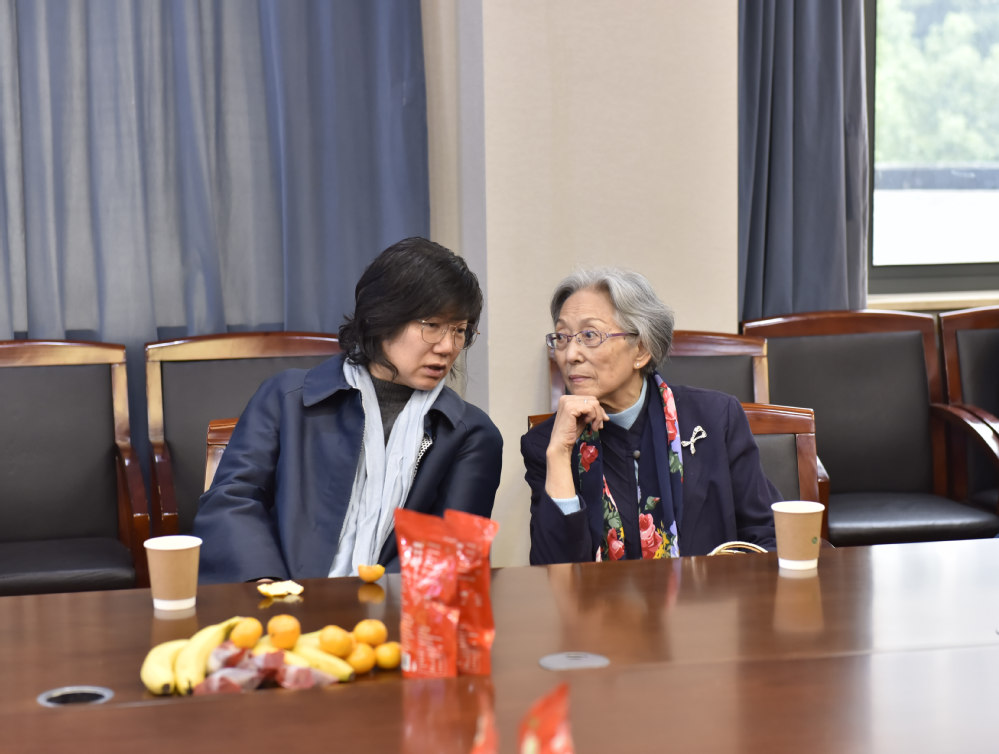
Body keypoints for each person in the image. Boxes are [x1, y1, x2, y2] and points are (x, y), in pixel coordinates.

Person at [195, 237, 503, 583]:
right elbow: (232, 500)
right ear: (382, 317)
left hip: (392, 609)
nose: (448, 347)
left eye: (460, 330)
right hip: (276, 601)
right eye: (432, 325)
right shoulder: (286, 398)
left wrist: (370, 607)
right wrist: (266, 584)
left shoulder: (470, 434)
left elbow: (448, 556)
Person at [522, 267, 778, 565]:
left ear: (641, 350)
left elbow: (766, 537)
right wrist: (559, 454)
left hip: (707, 593)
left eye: (589, 335)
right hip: (595, 598)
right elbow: (551, 574)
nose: (570, 355)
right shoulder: (546, 444)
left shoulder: (715, 419)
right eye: (562, 337)